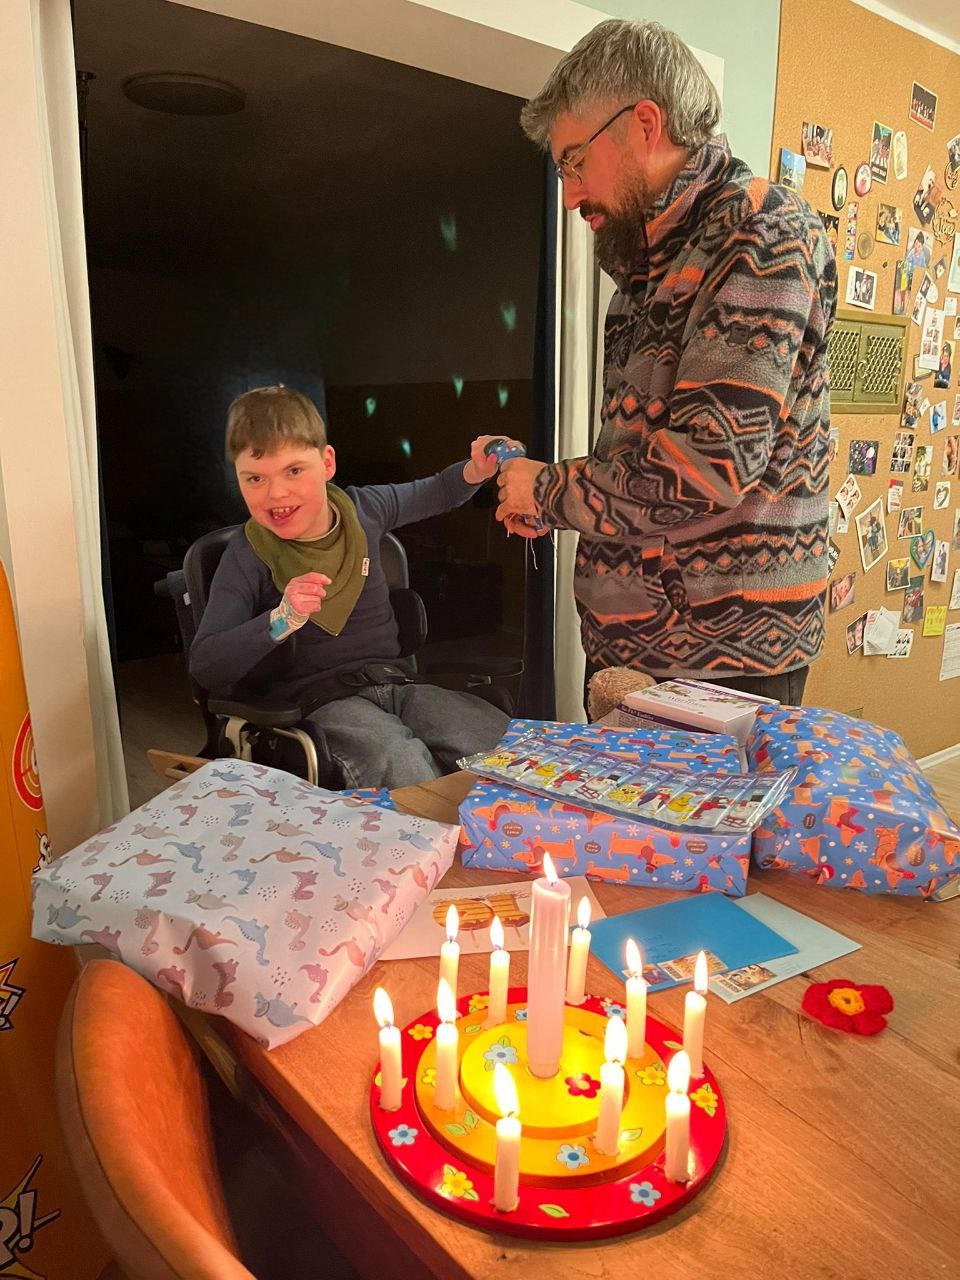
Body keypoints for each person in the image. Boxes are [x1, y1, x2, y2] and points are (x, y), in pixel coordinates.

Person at [495, 18, 836, 706]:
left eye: (574, 162)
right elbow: (644, 465)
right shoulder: (646, 271)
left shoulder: (761, 230)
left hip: (721, 662)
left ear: (645, 125)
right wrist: (564, 502)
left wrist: (548, 491)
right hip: (638, 652)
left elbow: (709, 467)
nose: (569, 194)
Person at [189, 386, 511, 788]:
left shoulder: (364, 509)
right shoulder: (246, 553)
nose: (276, 494)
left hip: (397, 681)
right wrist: (280, 620)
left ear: (327, 463)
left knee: (501, 746)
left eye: (294, 471)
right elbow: (206, 665)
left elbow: (440, 490)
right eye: (255, 478)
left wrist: (477, 469)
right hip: (319, 700)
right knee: (400, 763)